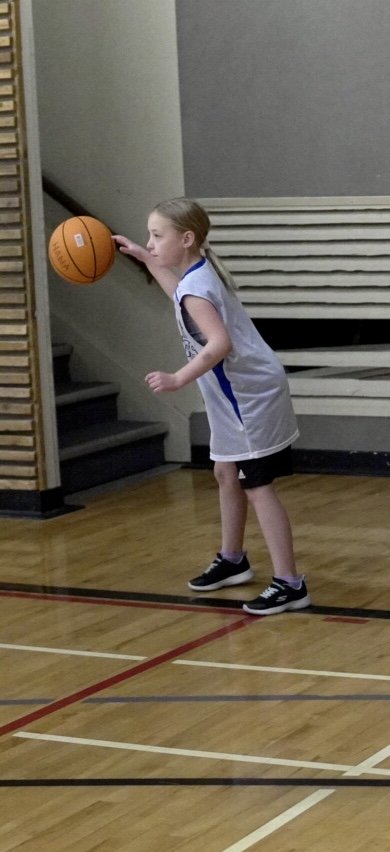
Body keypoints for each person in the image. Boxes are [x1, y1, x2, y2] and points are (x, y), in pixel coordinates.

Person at [114, 198, 309, 616]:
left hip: (248, 396)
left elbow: (220, 344)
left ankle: (291, 583)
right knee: (225, 472)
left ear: (186, 239)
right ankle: (233, 559)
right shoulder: (194, 276)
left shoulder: (197, 286)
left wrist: (177, 378)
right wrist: (147, 259)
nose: (151, 240)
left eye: (157, 235)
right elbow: (180, 299)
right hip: (233, 394)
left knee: (256, 485)